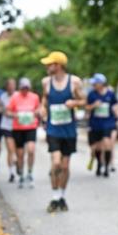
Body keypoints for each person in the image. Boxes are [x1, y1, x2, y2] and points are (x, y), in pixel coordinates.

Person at [39, 51, 85, 212]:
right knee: (56, 162)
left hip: (69, 130)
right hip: (53, 129)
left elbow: (83, 100)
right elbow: (44, 99)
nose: (47, 66)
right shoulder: (46, 82)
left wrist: (74, 102)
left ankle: (62, 197)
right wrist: (42, 108)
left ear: (58, 65)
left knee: (65, 166)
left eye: (50, 64)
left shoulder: (74, 82)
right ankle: (54, 197)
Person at [7, 77, 40, 188]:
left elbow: (38, 109)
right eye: (23, 88)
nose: (25, 90)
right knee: (20, 154)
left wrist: (35, 113)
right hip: (18, 128)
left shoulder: (34, 97)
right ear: (20, 88)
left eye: (27, 88)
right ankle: (21, 173)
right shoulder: (14, 98)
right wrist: (15, 115)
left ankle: (30, 173)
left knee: (31, 150)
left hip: (31, 127)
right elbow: (8, 112)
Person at [86, 73, 118, 177]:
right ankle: (99, 164)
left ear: (101, 83)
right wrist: (93, 106)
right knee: (97, 147)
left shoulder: (110, 94)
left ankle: (107, 168)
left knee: (107, 143)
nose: (93, 85)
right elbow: (86, 107)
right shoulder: (91, 94)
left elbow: (115, 104)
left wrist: (116, 111)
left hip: (107, 123)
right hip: (95, 124)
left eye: (95, 83)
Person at [0, 78, 18, 182]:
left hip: (18, 126)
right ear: (6, 86)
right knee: (10, 149)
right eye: (9, 85)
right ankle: (11, 172)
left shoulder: (18, 95)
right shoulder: (2, 97)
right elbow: (2, 110)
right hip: (6, 126)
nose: (11, 87)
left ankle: (17, 167)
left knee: (18, 150)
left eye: (13, 84)